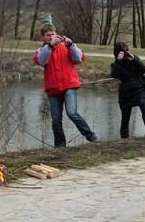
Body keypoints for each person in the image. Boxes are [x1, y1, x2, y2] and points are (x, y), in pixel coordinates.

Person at [34, 19, 97, 147]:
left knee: (72, 113)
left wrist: (71, 45)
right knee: (56, 119)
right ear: (43, 38)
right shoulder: (41, 50)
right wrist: (50, 46)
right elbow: (42, 61)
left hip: (69, 85)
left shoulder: (65, 46)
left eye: (53, 34)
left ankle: (91, 137)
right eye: (48, 36)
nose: (52, 37)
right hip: (53, 88)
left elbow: (78, 59)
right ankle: (60, 145)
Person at [111, 42, 145, 139]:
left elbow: (143, 69)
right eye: (123, 51)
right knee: (125, 115)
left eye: (126, 50)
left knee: (143, 103)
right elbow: (114, 74)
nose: (126, 53)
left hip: (139, 88)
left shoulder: (135, 59)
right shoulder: (116, 64)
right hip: (125, 91)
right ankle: (124, 138)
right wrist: (119, 60)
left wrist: (134, 59)